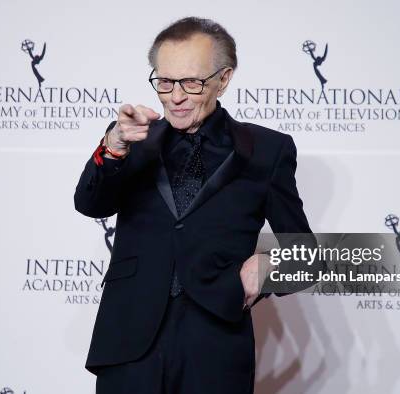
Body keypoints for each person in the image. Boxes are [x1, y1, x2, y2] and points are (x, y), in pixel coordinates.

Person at [74, 16, 323, 394]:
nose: (175, 96)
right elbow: (90, 204)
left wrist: (267, 266)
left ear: (224, 79)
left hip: (215, 346)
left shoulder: (267, 150)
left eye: (191, 83)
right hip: (127, 344)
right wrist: (114, 146)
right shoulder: (132, 138)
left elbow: (306, 255)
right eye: (165, 81)